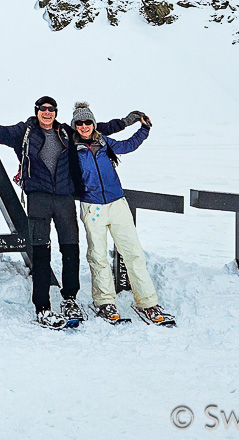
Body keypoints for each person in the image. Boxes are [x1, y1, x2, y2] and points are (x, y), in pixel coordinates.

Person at [0, 96, 143, 330]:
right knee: (41, 251)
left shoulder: (66, 132)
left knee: (71, 247)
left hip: (64, 198)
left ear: (56, 112)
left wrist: (127, 122)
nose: (47, 113)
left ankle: (70, 299)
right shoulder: (23, 132)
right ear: (37, 111)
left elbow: (97, 128)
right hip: (38, 198)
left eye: (51, 110)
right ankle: (42, 307)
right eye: (43, 109)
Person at [69, 101, 175, 326]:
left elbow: (127, 145)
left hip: (117, 203)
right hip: (92, 207)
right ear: (74, 125)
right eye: (79, 122)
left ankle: (148, 302)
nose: (84, 126)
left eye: (88, 121)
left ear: (93, 123)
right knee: (98, 256)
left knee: (133, 252)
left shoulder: (104, 141)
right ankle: (105, 302)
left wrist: (144, 130)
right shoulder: (70, 148)